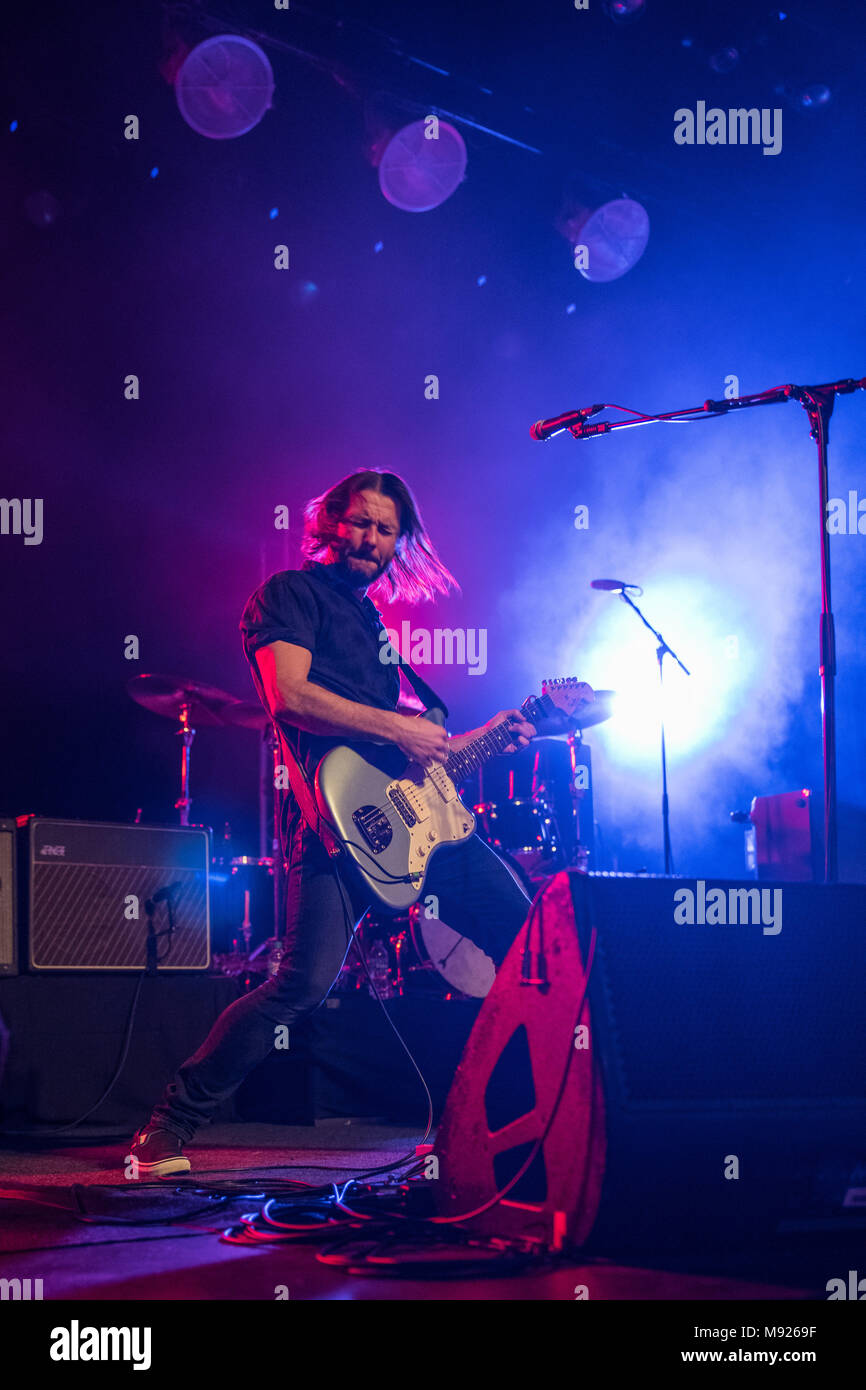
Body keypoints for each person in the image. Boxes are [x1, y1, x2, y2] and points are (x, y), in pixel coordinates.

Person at [127, 469, 540, 1175]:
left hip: (415, 823)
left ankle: (530, 1116)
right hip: (328, 824)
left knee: (534, 946)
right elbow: (288, 696)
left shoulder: (375, 624)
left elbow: (408, 747)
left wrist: (500, 730)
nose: (368, 540)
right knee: (301, 984)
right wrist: (400, 728)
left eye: (384, 530)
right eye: (357, 523)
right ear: (326, 524)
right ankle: (166, 1128)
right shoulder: (289, 595)